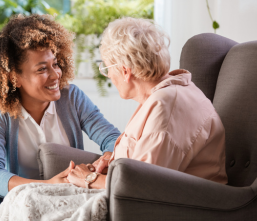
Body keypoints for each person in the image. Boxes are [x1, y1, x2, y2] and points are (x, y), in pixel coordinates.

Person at [0, 14, 121, 221]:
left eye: (55, 64)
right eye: (42, 69)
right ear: (14, 77)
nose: (56, 75)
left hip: (67, 197)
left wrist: (108, 156)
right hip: (17, 198)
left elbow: (112, 138)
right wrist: (46, 185)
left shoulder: (71, 97)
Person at [66, 17, 228, 190]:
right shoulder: (168, 93)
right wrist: (113, 161)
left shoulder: (165, 105)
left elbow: (142, 186)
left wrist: (90, 179)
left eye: (106, 68)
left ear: (125, 70)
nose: (109, 76)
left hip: (185, 207)